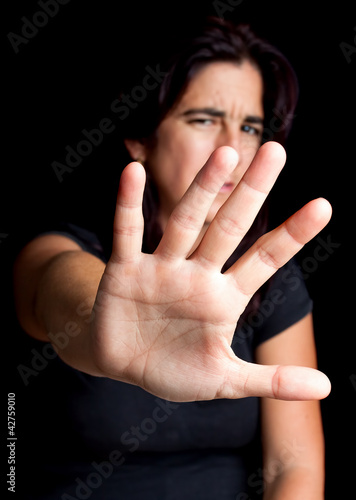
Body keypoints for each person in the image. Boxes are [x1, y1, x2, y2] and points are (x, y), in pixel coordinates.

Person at [13, 17, 332, 499]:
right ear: (140, 138)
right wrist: (101, 317)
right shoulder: (55, 246)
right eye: (203, 118)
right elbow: (57, 287)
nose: (233, 146)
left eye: (249, 125)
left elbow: (294, 467)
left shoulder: (266, 277)